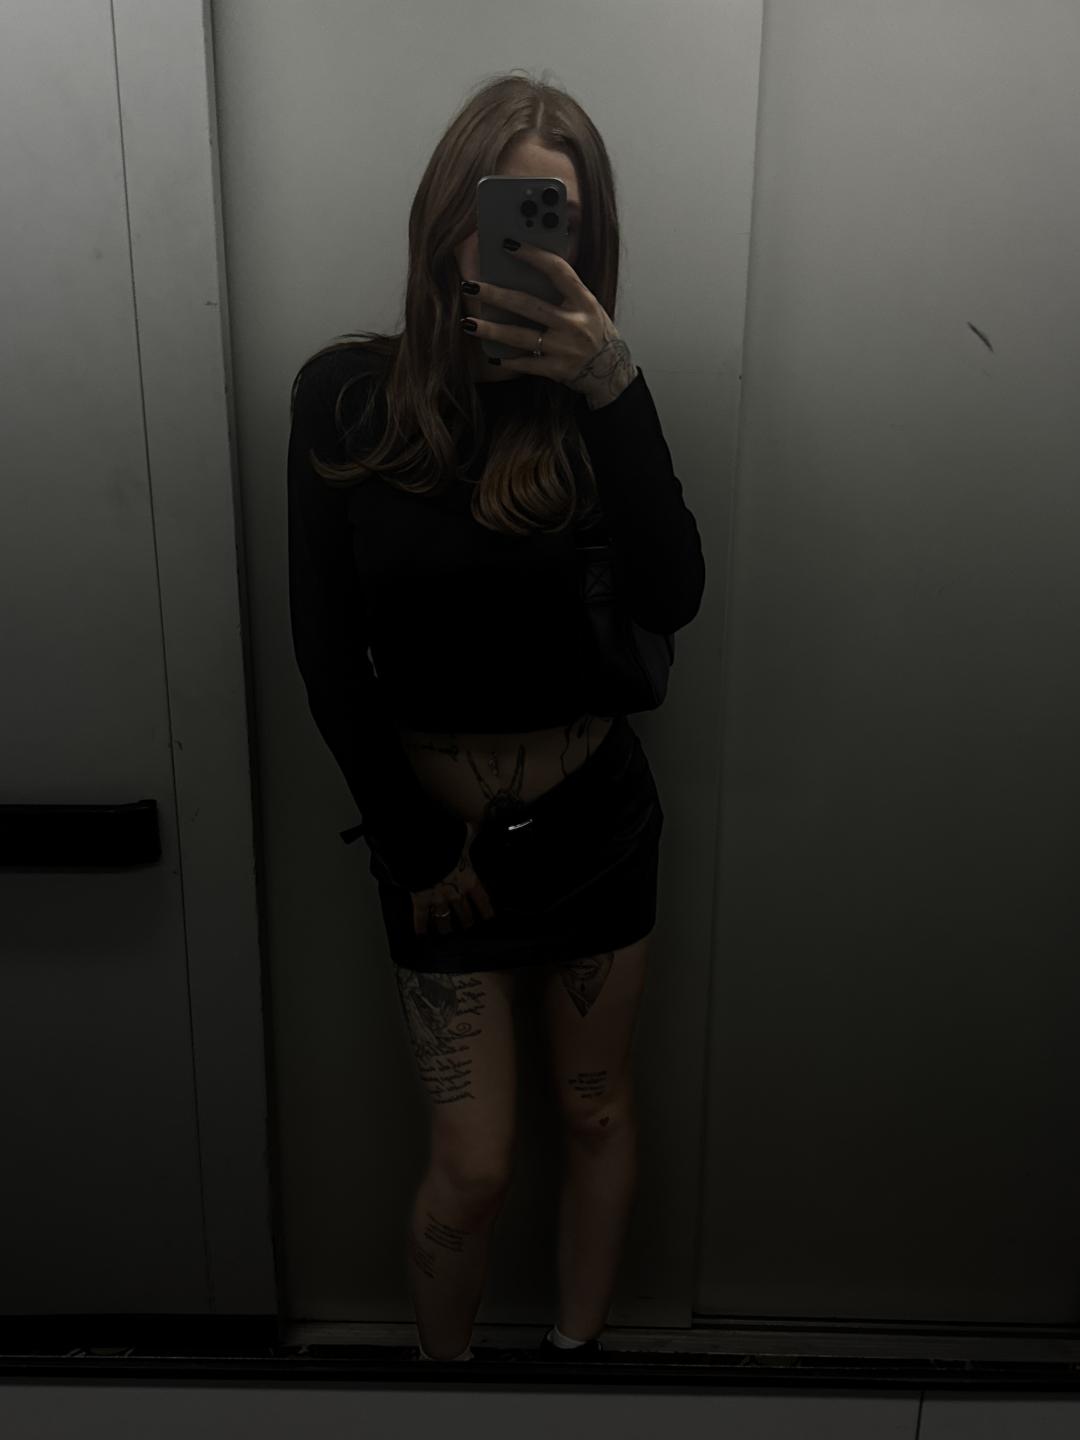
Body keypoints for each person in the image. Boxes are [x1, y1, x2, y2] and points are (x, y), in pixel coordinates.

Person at [287, 71, 705, 1364]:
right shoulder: (345, 396)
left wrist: (614, 386)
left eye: (550, 214)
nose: (512, 238)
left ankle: (575, 1372)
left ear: (585, 236)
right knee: (471, 1166)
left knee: (595, 1111)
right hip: (437, 847)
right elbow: (326, 652)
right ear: (445, 214)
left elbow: (673, 597)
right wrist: (413, 847)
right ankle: (445, 1393)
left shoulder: (591, 404)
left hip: (594, 824)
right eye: (498, 206)